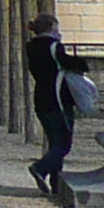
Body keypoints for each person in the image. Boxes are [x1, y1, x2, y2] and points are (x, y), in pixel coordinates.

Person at [24, 12, 68, 196]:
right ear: (51, 29)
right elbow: (68, 67)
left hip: (40, 97)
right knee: (63, 144)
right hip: (57, 98)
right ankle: (41, 168)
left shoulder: (31, 47)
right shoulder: (54, 47)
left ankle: (56, 184)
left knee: (54, 142)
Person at [54, 53, 99, 206]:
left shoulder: (68, 78)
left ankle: (53, 179)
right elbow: (87, 101)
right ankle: (43, 170)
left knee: (60, 144)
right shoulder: (75, 80)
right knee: (63, 145)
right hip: (64, 111)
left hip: (60, 110)